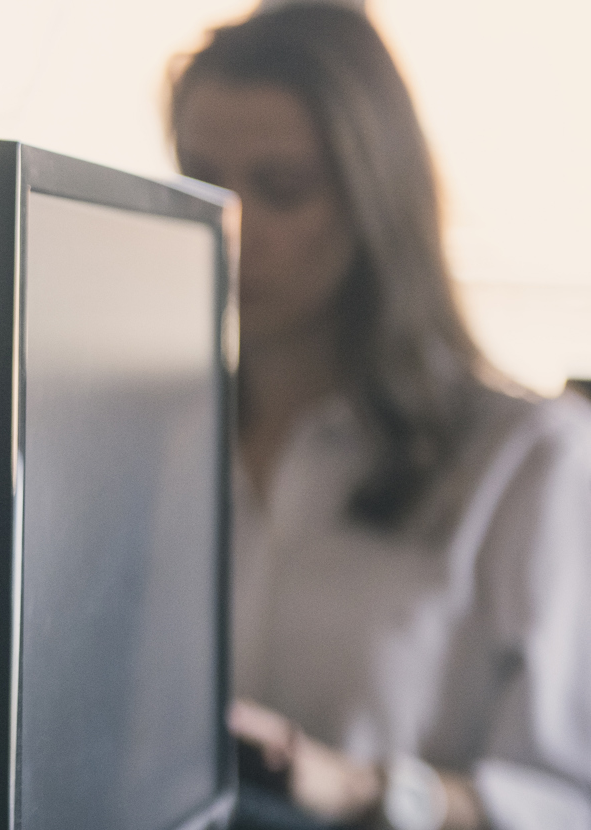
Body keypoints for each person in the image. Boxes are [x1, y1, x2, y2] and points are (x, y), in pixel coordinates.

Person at [168, 5, 591, 829]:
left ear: (372, 198)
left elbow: (569, 802)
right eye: (200, 182)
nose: (232, 227)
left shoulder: (530, 462)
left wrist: (367, 789)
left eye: (282, 190)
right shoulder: (154, 446)